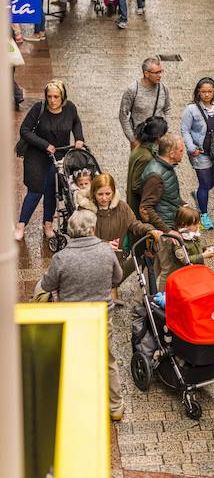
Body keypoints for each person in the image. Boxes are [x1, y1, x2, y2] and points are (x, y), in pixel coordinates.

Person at [37, 209, 125, 420]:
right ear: (92, 229)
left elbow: (48, 284)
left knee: (72, 361)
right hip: (101, 316)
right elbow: (117, 277)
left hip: (73, 318)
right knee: (107, 360)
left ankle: (75, 405)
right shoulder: (106, 251)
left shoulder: (62, 257)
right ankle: (115, 408)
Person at [15, 80, 85, 241]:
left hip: (59, 155)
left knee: (52, 191)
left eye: (56, 97)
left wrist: (79, 138)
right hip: (37, 155)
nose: (52, 100)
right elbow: (24, 130)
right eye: (49, 97)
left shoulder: (70, 108)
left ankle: (48, 224)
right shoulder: (38, 109)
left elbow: (76, 122)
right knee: (35, 190)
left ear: (63, 97)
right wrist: (45, 144)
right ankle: (21, 225)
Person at [82, 173, 156, 283]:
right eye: (100, 194)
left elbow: (134, 224)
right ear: (93, 193)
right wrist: (104, 244)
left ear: (113, 192)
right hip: (93, 261)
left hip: (116, 258)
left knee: (114, 285)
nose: (104, 198)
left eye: (108, 193)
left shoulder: (122, 207)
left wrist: (149, 229)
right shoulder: (85, 210)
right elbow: (82, 238)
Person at [181, 77, 214, 230]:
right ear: (198, 92)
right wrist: (191, 148)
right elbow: (185, 130)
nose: (207, 94)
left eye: (210, 91)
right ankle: (204, 214)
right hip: (201, 152)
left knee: (213, 181)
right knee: (204, 183)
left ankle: (199, 195)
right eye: (203, 92)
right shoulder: (191, 110)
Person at [156, 204, 214, 291]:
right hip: (183, 274)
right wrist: (203, 255)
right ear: (184, 225)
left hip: (194, 271)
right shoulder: (178, 241)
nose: (198, 226)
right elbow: (184, 259)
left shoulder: (192, 234)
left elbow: (197, 246)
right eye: (195, 224)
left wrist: (206, 248)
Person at [119, 57, 172, 147]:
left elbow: (167, 109)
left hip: (159, 139)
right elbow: (123, 115)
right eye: (156, 73)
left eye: (161, 71)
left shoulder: (163, 88)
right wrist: (132, 139)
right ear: (146, 73)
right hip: (140, 139)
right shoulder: (132, 90)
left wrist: (167, 131)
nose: (160, 75)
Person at [139, 133, 186, 231]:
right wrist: (167, 231)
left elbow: (166, 194)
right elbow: (146, 208)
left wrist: (183, 204)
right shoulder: (155, 176)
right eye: (181, 150)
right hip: (164, 231)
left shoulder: (166, 167)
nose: (183, 153)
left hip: (171, 223)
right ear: (172, 154)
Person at [126, 116, 168, 218]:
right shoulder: (146, 157)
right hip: (140, 207)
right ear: (158, 137)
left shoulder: (142, 148)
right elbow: (136, 185)